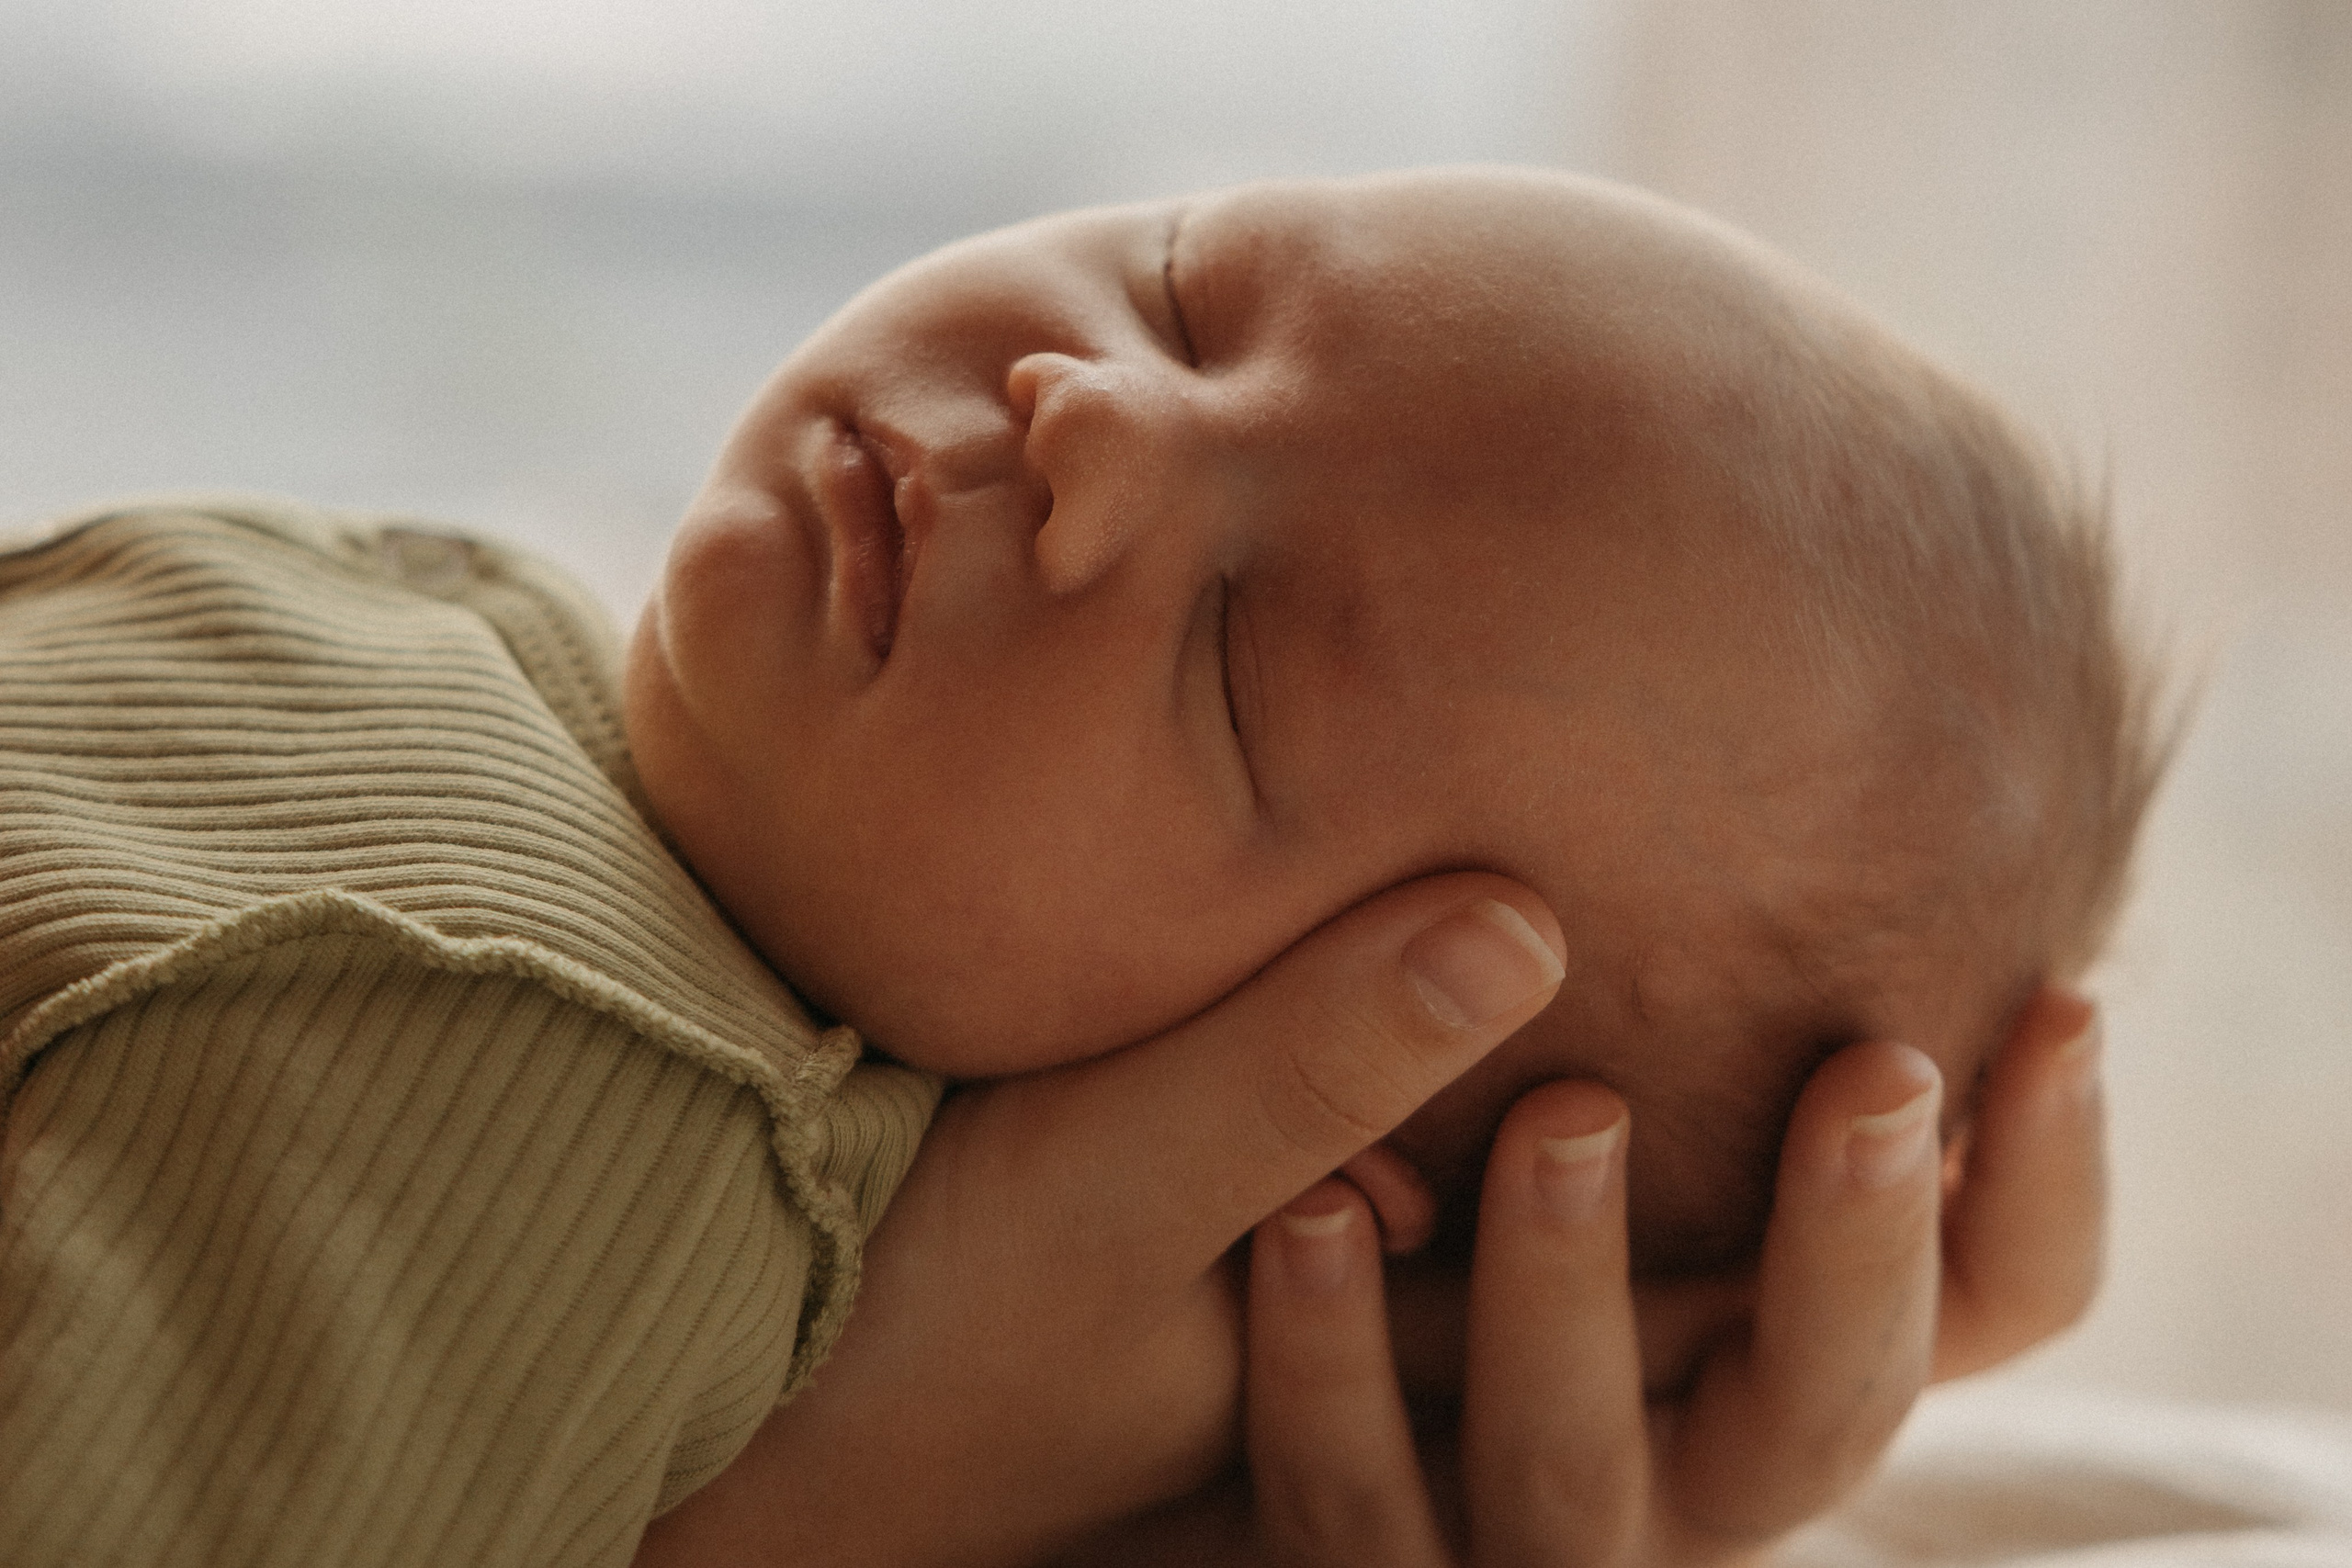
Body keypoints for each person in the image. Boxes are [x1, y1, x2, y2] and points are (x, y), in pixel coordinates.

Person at [0, 167, 2152, 1566]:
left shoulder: (556, 1139)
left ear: (1293, 1157)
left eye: (1236, 668)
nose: (1088, 416)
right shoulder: (492, 644)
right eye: (1186, 286)